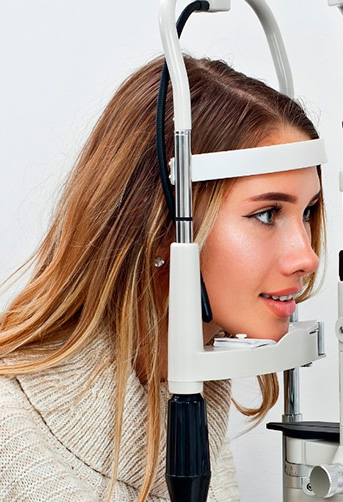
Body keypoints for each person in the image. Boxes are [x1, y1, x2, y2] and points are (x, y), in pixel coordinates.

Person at [0, 55, 325, 501]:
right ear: (159, 225)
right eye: (267, 214)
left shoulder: (194, 409)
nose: (307, 256)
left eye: (308, 212)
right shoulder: (12, 435)